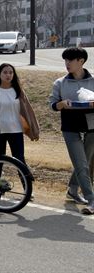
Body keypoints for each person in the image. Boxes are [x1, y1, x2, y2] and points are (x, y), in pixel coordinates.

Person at [49, 47, 94, 214]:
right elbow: (52, 104)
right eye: (65, 61)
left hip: (92, 126)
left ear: (81, 61)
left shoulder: (93, 80)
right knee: (82, 164)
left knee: (86, 163)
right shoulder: (60, 83)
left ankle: (73, 190)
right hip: (70, 128)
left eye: (70, 60)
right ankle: (91, 200)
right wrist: (61, 104)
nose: (67, 64)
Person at [0, 63, 39, 163]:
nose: (8, 75)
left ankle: (26, 179)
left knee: (19, 159)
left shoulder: (18, 91)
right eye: (5, 72)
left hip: (16, 130)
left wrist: (34, 129)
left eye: (11, 72)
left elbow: (28, 111)